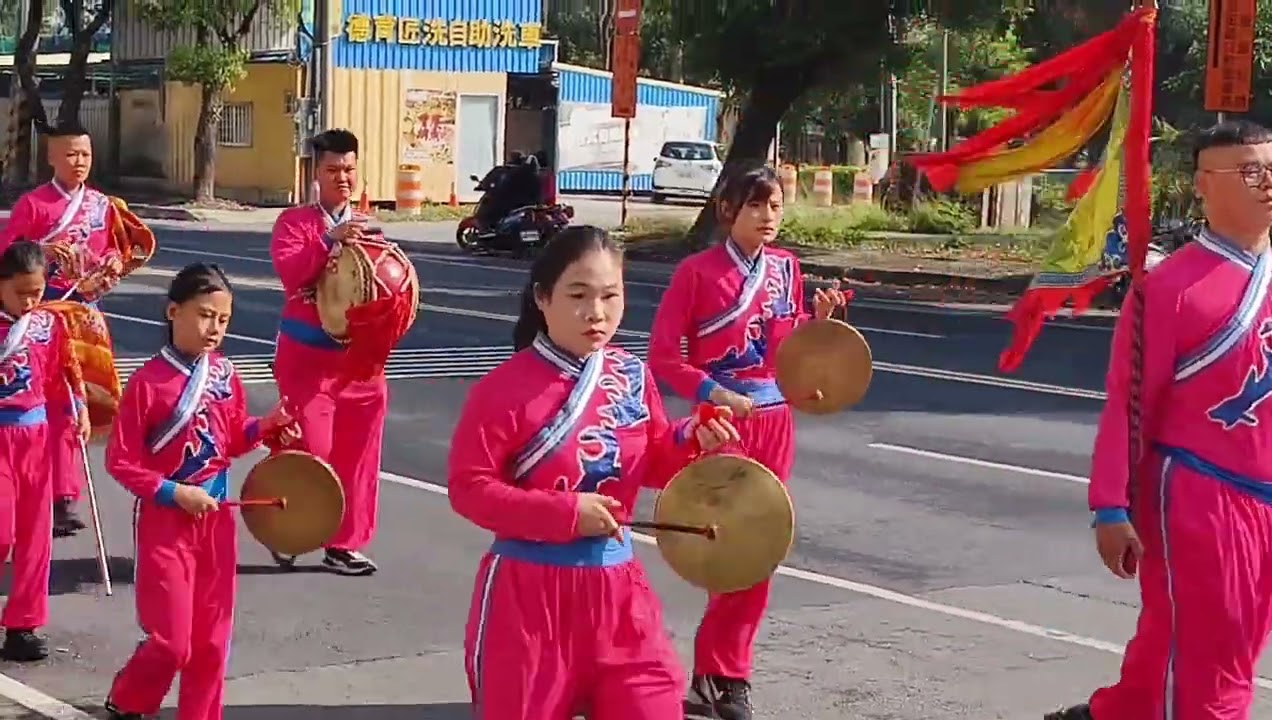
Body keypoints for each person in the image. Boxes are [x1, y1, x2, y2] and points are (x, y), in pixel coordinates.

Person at [448, 225, 740, 719]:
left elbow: (649, 464)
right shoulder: (501, 390)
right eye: (578, 296)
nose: (597, 313)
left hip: (619, 592)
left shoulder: (631, 374)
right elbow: (468, 489)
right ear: (542, 298)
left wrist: (692, 438)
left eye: (610, 295)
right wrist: (564, 512)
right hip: (529, 598)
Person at [1044, 120, 1272, 720]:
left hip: (1270, 495)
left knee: (1216, 640)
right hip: (1199, 493)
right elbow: (1129, 403)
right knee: (1212, 658)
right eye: (1249, 171)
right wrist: (1110, 506)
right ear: (1204, 184)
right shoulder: (1170, 287)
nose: (1268, 183)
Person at [647, 164, 847, 720]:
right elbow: (664, 356)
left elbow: (785, 347)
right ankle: (722, 674)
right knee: (734, 545)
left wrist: (817, 321)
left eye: (775, 206)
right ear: (727, 211)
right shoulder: (696, 272)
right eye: (756, 206)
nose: (767, 217)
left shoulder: (786, 268)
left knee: (761, 547)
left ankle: (718, 676)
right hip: (723, 421)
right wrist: (713, 393)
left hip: (775, 420)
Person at [103, 263, 297, 720]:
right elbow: (120, 461)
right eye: (205, 315)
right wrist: (173, 493)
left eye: (223, 320)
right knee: (172, 641)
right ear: (173, 311)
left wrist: (266, 428)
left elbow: (230, 440)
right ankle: (129, 699)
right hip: (166, 520)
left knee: (212, 639)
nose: (215, 329)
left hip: (216, 516)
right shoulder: (147, 382)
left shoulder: (225, 373)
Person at [0, 122, 131, 537]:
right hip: (42, 316)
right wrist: (40, 251)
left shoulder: (101, 205)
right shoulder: (33, 205)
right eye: (71, 154)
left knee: (75, 405)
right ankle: (41, 492)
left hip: (84, 316)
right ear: (52, 157)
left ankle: (64, 494)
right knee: (43, 404)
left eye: (85, 154)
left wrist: (113, 264)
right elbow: (7, 254)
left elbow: (115, 249)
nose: (79, 162)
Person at [269, 128, 386, 575]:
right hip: (307, 360)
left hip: (359, 363)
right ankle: (287, 526)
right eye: (333, 169)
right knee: (310, 449)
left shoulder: (370, 228)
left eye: (349, 169)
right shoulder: (294, 223)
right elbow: (292, 274)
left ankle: (343, 544)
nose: (343, 178)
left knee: (357, 457)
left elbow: (385, 287)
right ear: (314, 173)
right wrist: (328, 240)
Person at [0, 241, 89, 662]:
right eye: (20, 292)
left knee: (36, 535)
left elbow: (65, 372)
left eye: (36, 292)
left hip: (36, 437)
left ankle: (23, 625)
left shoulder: (48, 325)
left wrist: (79, 409)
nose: (29, 301)